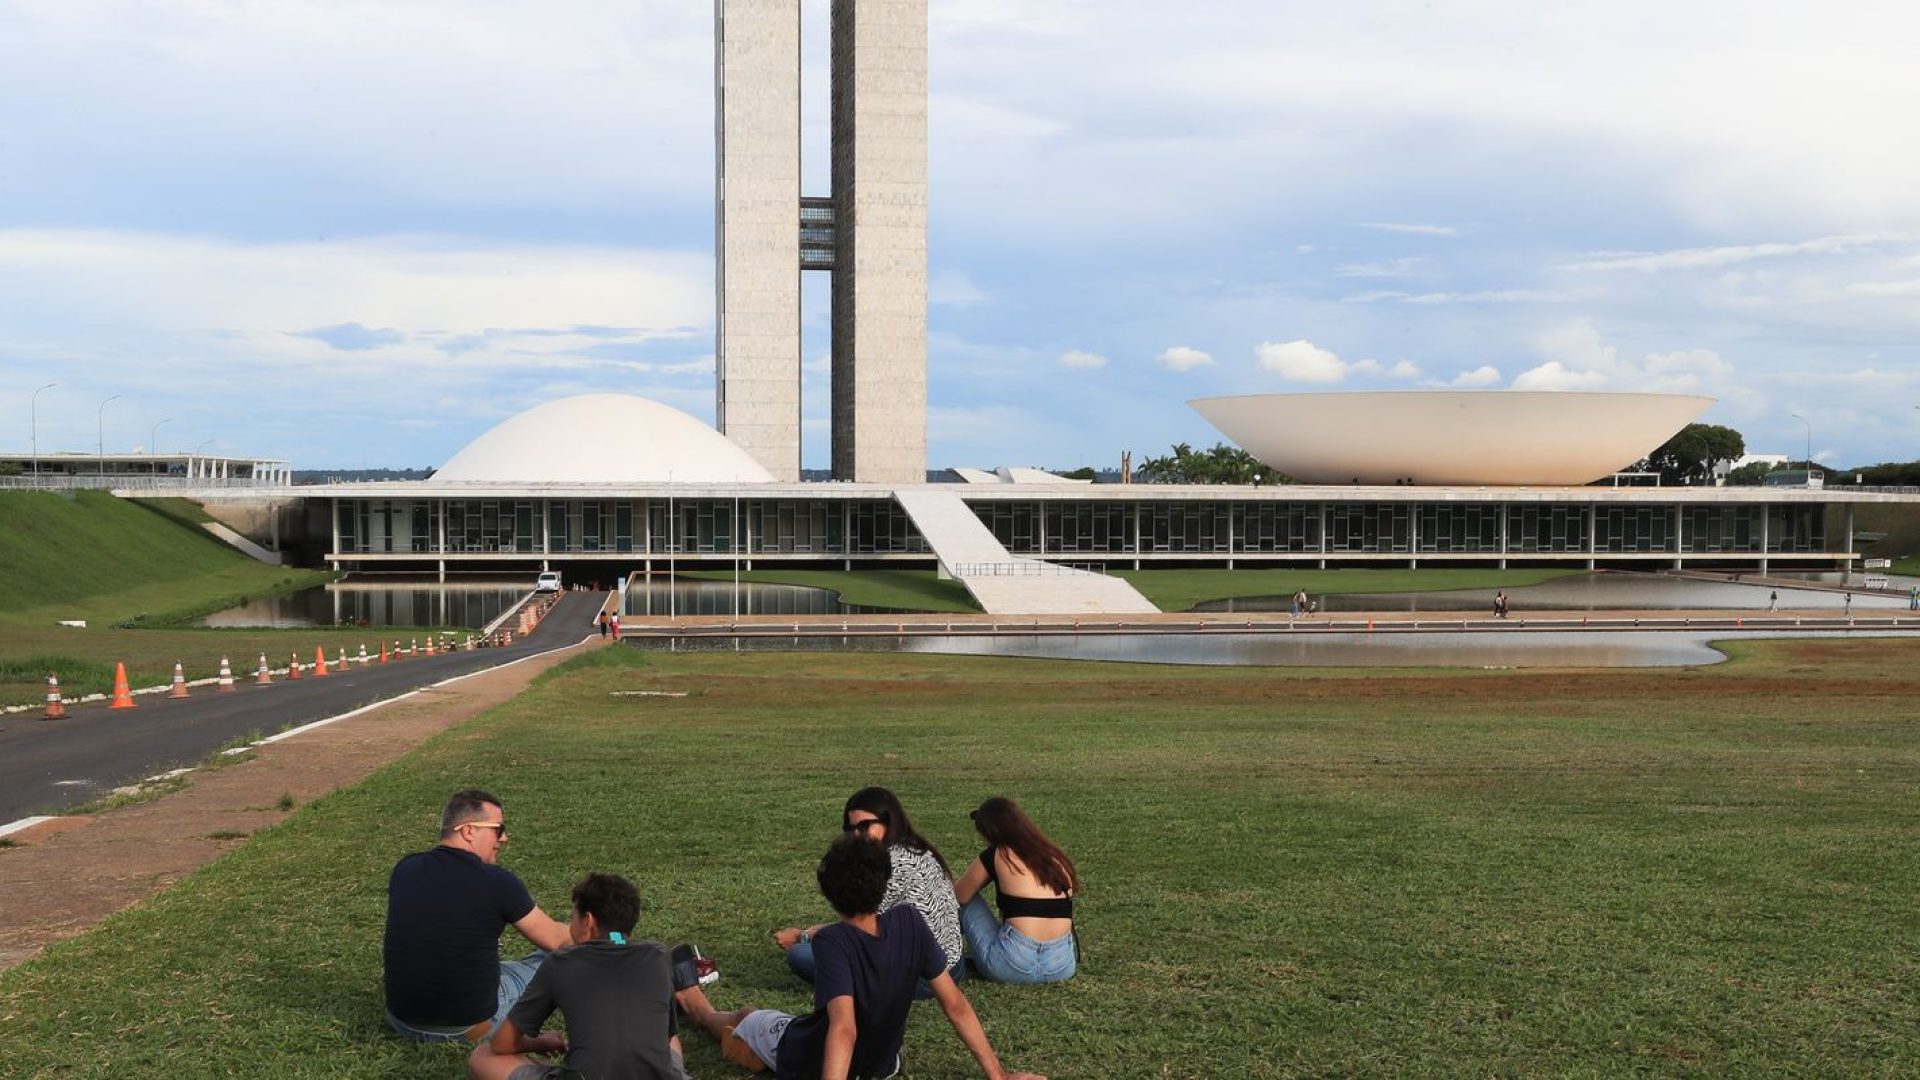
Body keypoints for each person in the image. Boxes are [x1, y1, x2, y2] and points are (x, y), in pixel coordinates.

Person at [676, 834, 1047, 1080]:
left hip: (814, 1061)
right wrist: (998, 1075)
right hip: (882, 1064)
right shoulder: (910, 921)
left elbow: (843, 1029)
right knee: (776, 1022)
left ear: (829, 893)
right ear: (885, 882)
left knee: (747, 1015)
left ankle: (695, 1005)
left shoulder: (833, 941)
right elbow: (955, 1004)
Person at [384, 789, 571, 1043]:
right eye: (498, 829)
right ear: (469, 830)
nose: (504, 838)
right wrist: (609, 934)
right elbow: (557, 940)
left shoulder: (405, 869)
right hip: (468, 1027)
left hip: (402, 1021)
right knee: (556, 959)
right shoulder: (497, 881)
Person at [469, 872, 689, 1080]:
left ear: (588, 921)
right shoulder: (658, 956)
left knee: (483, 1056)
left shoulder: (560, 962)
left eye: (572, 916)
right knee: (669, 1040)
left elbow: (502, 1043)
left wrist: (540, 1043)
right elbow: (666, 1037)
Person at [774, 787, 963, 990]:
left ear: (889, 821)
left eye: (864, 826)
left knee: (801, 955)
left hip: (924, 977)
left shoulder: (890, 864)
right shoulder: (917, 849)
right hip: (954, 967)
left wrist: (803, 937)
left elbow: (862, 929)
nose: (856, 835)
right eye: (850, 829)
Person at [952, 798, 1078, 984]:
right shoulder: (1053, 856)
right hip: (1061, 967)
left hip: (1011, 965)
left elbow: (958, 896)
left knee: (968, 899)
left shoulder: (998, 854)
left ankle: (942, 957)